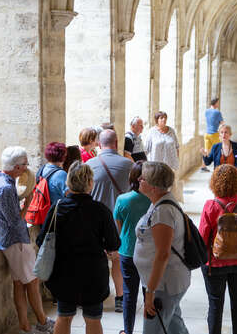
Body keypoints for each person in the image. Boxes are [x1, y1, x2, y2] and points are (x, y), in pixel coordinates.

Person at [36, 161, 121, 334]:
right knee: (93, 319)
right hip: (93, 274)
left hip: (63, 272)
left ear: (69, 182)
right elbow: (113, 244)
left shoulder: (57, 208)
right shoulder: (101, 210)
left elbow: (41, 240)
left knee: (64, 316)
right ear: (90, 183)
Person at [0, 146, 54, 334]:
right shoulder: (7, 188)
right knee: (32, 281)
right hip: (16, 241)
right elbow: (15, 221)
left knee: (19, 283)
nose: (26, 168)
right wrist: (29, 201)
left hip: (6, 240)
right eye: (25, 164)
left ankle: (25, 326)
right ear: (16, 167)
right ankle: (42, 322)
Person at [133, 161, 190, 334]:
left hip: (163, 285)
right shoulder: (159, 202)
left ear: (154, 187)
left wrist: (150, 292)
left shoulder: (163, 212)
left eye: (143, 178)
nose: (139, 179)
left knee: (153, 330)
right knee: (174, 326)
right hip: (164, 282)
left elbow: (163, 254)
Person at [199, 164, 237, 334]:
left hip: (215, 263)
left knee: (215, 305)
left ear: (215, 182)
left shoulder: (211, 206)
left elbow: (202, 237)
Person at [86, 129, 133, 312]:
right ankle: (120, 297)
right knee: (117, 260)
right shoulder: (128, 165)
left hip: (95, 222)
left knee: (96, 261)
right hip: (119, 222)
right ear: (116, 142)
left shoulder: (89, 164)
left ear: (99, 144)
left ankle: (95, 295)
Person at [113, 161, 151, 334]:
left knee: (129, 294)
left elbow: (120, 227)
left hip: (128, 250)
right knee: (149, 292)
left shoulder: (122, 199)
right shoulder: (154, 199)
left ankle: (128, 331)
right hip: (150, 252)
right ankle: (150, 330)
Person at [201, 98, 225, 172]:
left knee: (206, 151)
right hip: (214, 134)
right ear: (215, 103)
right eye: (218, 103)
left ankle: (203, 167)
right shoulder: (217, 112)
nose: (218, 104)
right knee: (219, 150)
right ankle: (218, 167)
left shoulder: (206, 111)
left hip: (207, 134)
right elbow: (222, 123)